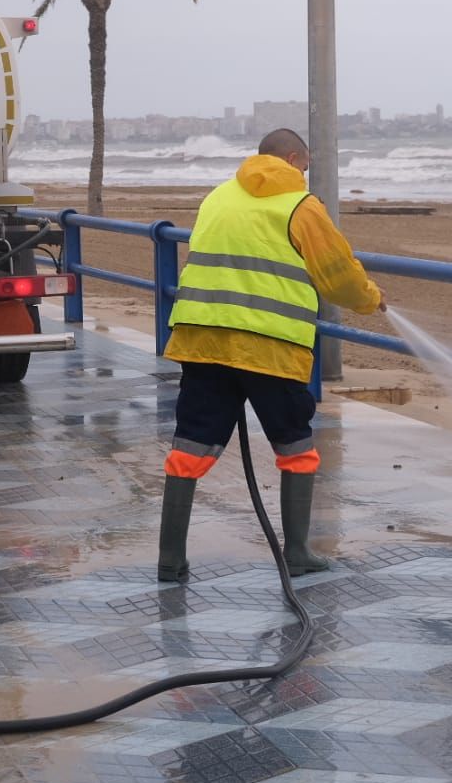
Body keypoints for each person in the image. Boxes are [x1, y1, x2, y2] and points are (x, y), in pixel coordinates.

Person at [157, 128, 384, 582]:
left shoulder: (218, 197)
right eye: (304, 166)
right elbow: (337, 273)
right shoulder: (301, 206)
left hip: (202, 339)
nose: (304, 174)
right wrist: (371, 298)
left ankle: (170, 559)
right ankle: (297, 553)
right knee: (295, 445)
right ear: (294, 157)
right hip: (269, 346)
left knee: (191, 445)